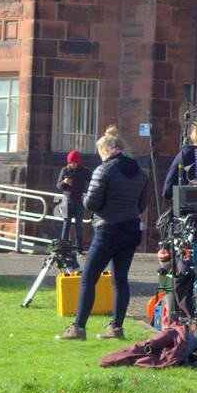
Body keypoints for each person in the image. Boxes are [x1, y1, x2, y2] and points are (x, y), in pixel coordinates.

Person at [57, 126, 149, 341]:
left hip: (108, 229)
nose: (100, 157)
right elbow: (142, 205)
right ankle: (116, 328)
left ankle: (78, 328)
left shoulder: (104, 170)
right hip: (131, 228)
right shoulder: (139, 171)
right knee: (120, 280)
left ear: (106, 150)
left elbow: (91, 203)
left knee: (88, 278)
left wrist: (89, 200)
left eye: (100, 153)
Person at [56, 150, 90, 247]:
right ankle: (64, 246)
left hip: (79, 201)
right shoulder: (65, 170)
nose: (73, 165)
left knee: (79, 226)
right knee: (66, 224)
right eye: (71, 163)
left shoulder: (84, 171)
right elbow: (58, 185)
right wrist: (64, 182)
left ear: (78, 162)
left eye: (74, 162)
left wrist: (86, 193)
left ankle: (79, 248)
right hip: (66, 201)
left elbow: (92, 181)